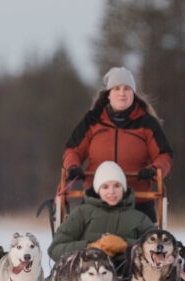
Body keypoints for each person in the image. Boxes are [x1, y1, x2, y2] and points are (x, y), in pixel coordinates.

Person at [62, 66, 173, 222]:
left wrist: (154, 170)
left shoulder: (148, 123)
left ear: (133, 94)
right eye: (117, 88)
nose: (122, 93)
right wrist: (73, 167)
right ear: (108, 94)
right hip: (96, 199)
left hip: (137, 199)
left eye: (127, 89)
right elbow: (72, 150)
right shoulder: (92, 120)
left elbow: (164, 156)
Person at [48, 161, 156, 276]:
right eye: (105, 187)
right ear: (98, 189)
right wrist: (90, 247)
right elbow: (55, 249)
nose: (111, 191)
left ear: (123, 188)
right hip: (84, 274)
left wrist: (126, 245)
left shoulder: (138, 218)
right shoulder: (82, 213)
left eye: (117, 186)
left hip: (128, 274)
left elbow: (157, 247)